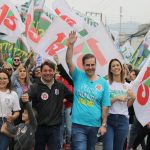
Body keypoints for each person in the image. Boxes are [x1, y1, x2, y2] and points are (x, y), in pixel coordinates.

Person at [66, 31, 110, 150]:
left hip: (94, 126)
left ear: (96, 65)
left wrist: (104, 125)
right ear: (83, 65)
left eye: (92, 65)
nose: (90, 67)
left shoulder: (103, 83)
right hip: (78, 124)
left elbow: (105, 106)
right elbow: (69, 61)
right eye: (87, 65)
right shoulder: (78, 76)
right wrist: (70, 46)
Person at [29, 60, 73, 150]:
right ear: (41, 72)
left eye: (50, 70)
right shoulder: (34, 87)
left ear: (54, 71)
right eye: (45, 71)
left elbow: (73, 99)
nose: (48, 73)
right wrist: (23, 99)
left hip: (55, 128)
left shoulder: (60, 86)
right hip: (39, 128)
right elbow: (24, 101)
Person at [103, 58, 136, 150]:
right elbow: (104, 103)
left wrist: (133, 98)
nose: (115, 67)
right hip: (109, 119)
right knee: (108, 148)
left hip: (123, 120)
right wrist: (116, 98)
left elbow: (127, 105)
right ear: (110, 69)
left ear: (121, 68)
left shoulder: (128, 86)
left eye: (117, 65)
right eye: (113, 66)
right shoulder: (106, 84)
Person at [0, 69, 20, 150]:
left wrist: (13, 117)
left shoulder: (13, 94)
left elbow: (17, 111)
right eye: (0, 78)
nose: (2, 81)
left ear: (8, 80)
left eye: (4, 78)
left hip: (6, 123)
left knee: (3, 147)